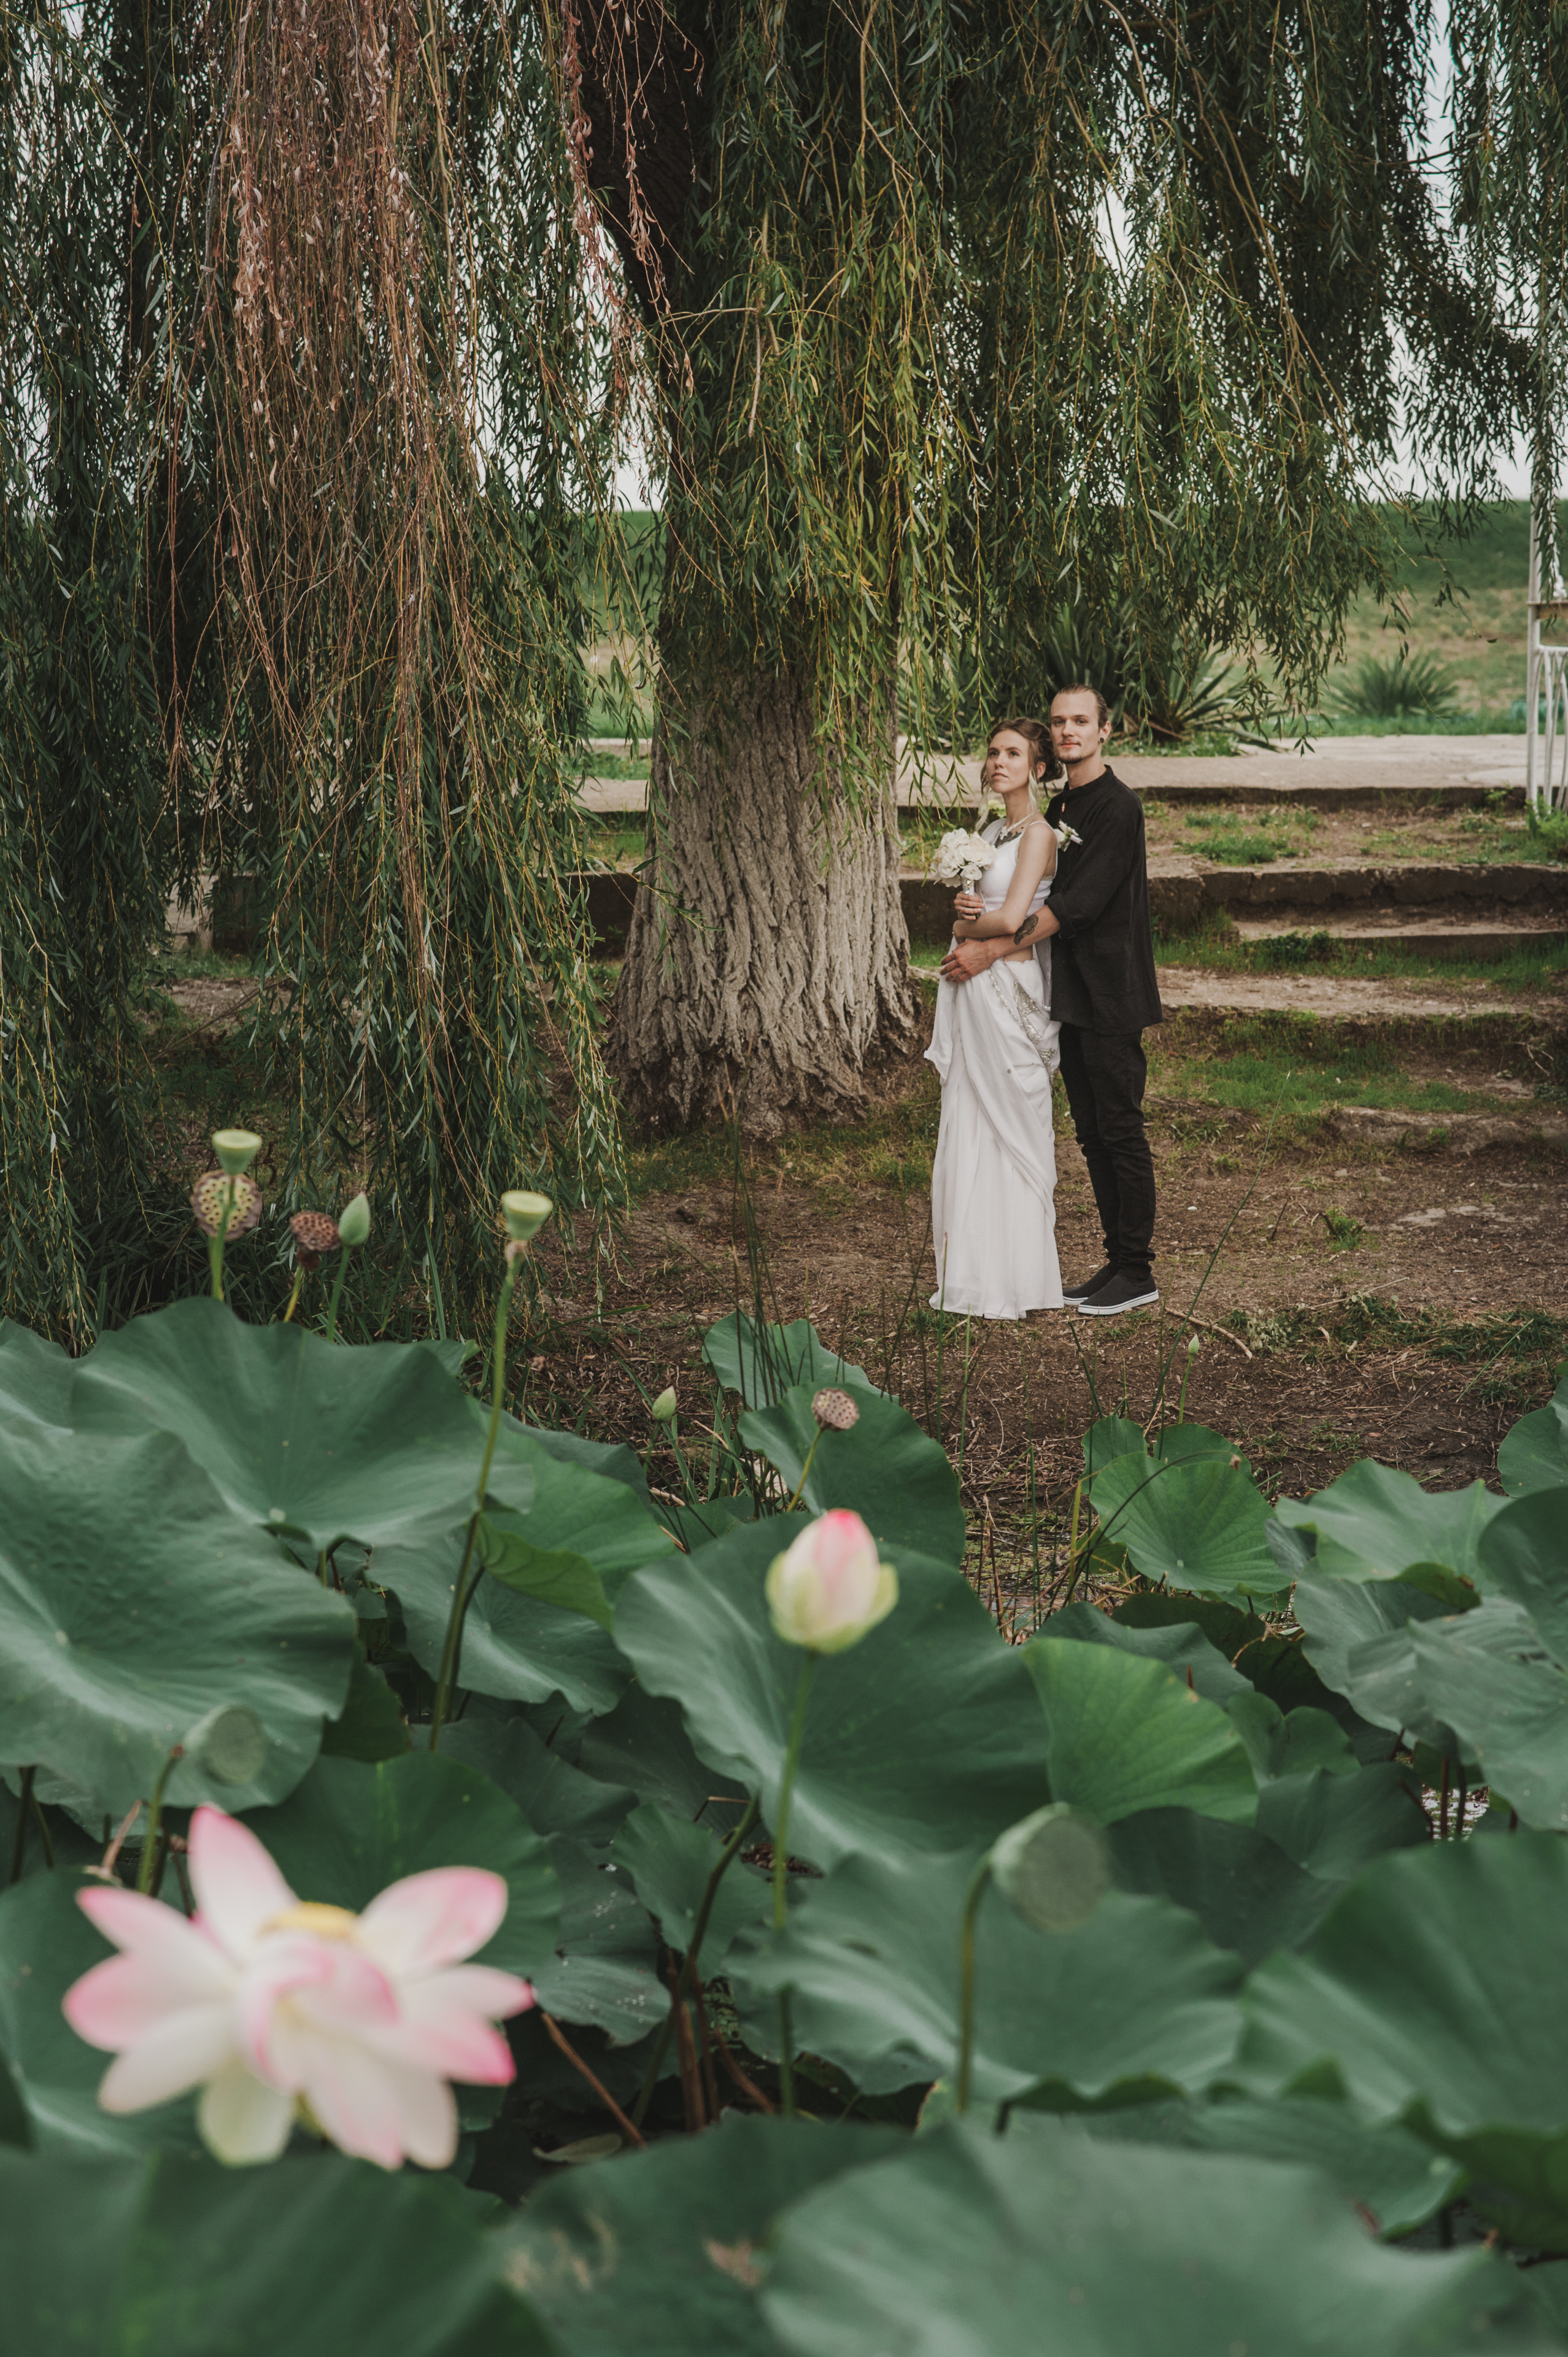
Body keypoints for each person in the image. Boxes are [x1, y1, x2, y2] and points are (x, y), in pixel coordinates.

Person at [939, 684, 1161, 1318]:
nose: (1067, 731)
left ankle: (1136, 1270)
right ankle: (1114, 1263)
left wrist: (987, 948)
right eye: (1059, 722)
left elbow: (1076, 905)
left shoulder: (1117, 809)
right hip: (1066, 990)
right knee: (1090, 1134)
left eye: (1079, 722)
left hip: (1111, 989)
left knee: (1118, 1129)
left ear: (1104, 731)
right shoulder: (1063, 805)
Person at [925, 717, 1064, 1320]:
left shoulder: (1039, 834)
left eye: (1013, 753)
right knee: (970, 1117)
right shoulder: (986, 831)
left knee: (1012, 1119)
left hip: (1011, 986)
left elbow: (1011, 921)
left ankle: (1021, 1278)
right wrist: (962, 903)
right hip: (974, 987)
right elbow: (984, 905)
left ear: (1036, 768)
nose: (998, 762)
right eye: (992, 752)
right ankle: (972, 1274)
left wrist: (960, 926)